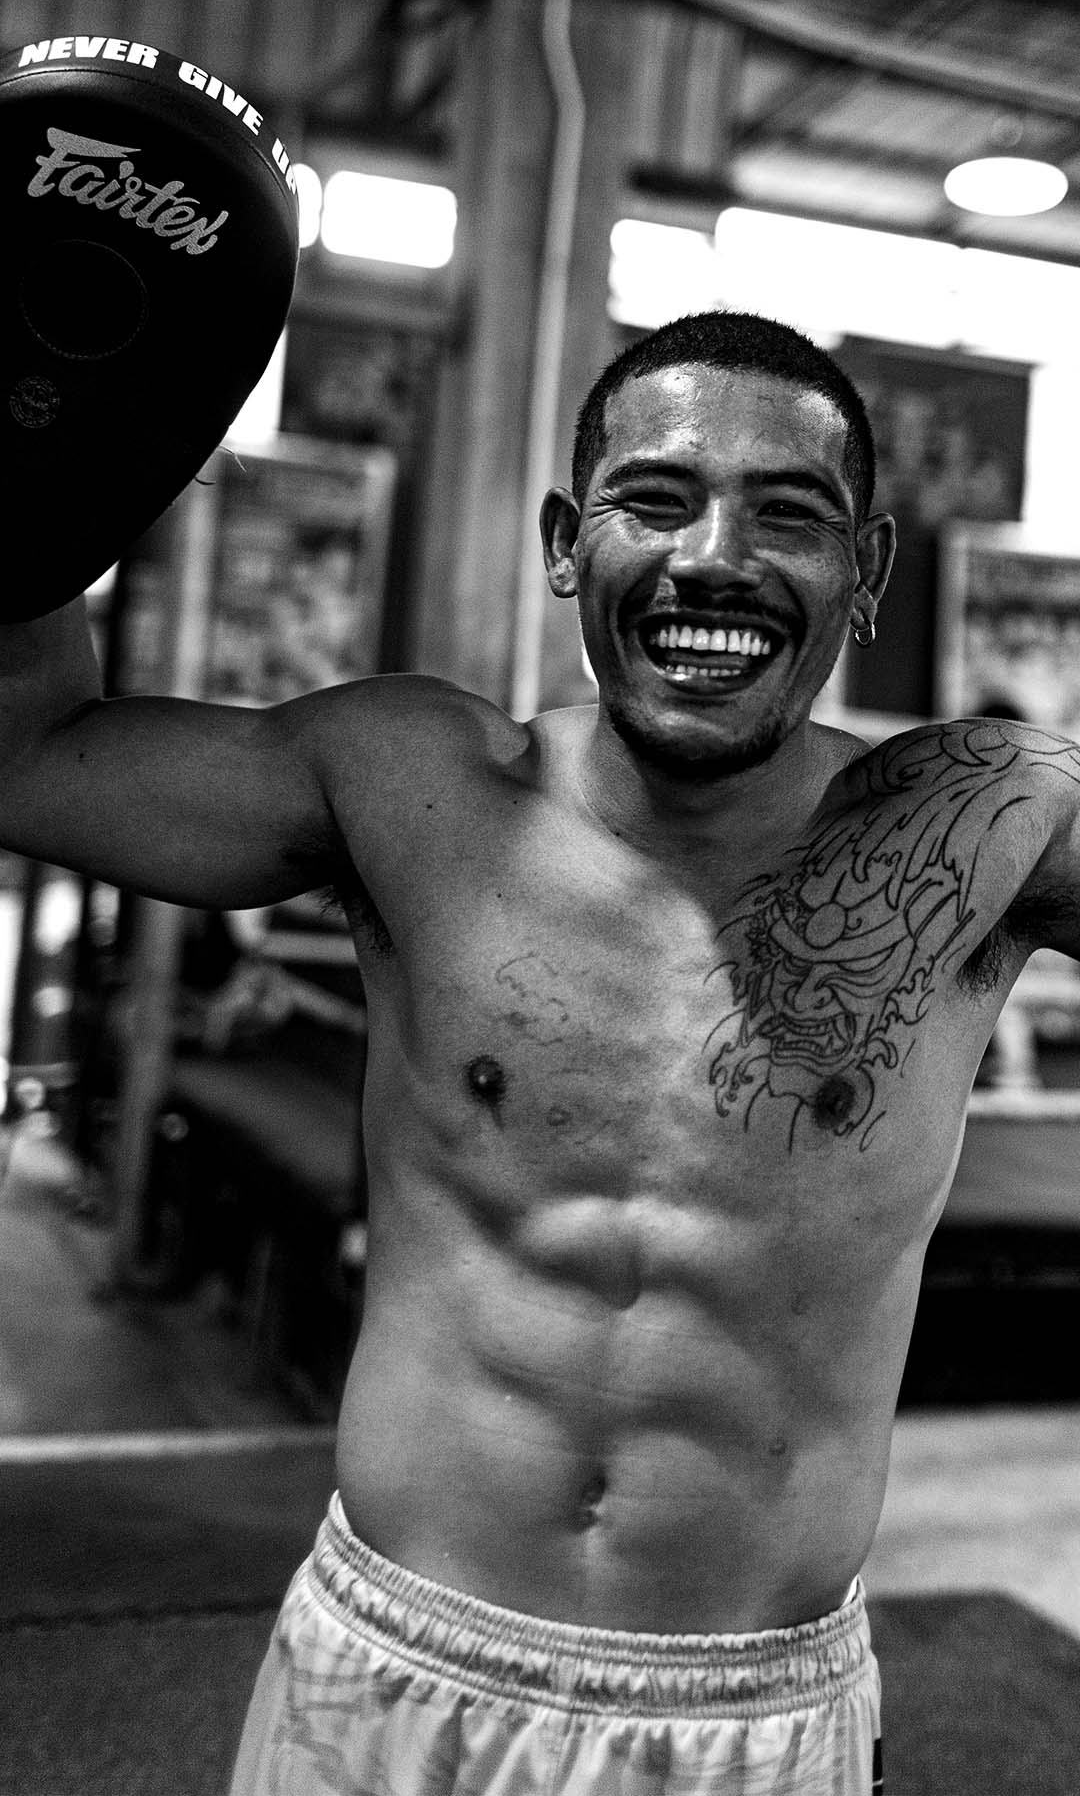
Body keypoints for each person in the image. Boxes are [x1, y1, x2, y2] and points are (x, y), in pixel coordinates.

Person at [3, 307, 1076, 1795]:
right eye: (656, 499)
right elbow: (28, 757)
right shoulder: (406, 785)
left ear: (868, 570)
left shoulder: (985, 828)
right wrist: (39, 428)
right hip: (389, 1672)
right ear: (570, 540)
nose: (715, 558)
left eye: (791, 515)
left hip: (748, 1721)